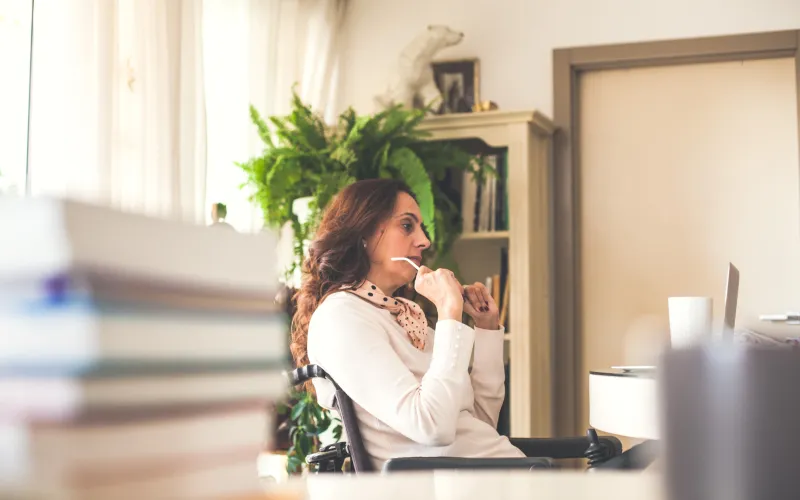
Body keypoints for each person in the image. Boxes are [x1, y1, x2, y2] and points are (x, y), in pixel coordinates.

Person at [291, 178, 525, 470]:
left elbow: (478, 424)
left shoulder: (403, 315)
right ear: (363, 232)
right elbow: (432, 428)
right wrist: (449, 313)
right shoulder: (342, 317)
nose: (424, 241)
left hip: (497, 479)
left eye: (421, 228)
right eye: (406, 226)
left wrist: (487, 328)